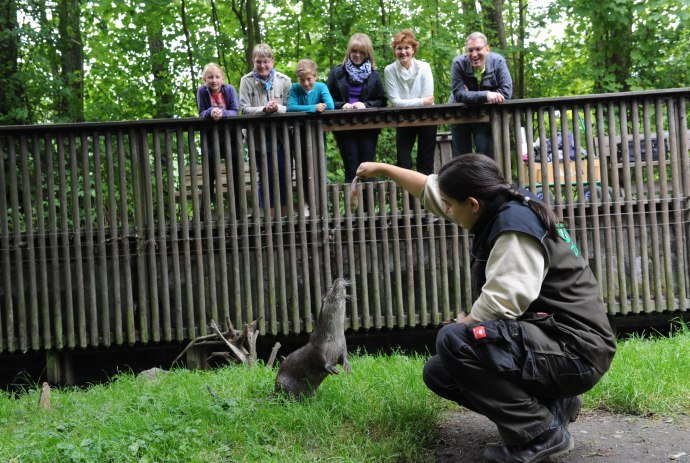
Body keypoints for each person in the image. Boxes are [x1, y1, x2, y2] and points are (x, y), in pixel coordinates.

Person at [355, 154, 616, 463]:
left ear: (473, 203)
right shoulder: (499, 198)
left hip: (576, 351)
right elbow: (434, 190)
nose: (447, 210)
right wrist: (383, 169)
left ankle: (540, 434)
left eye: (451, 205)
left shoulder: (513, 229)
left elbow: (503, 300)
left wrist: (467, 322)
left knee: (454, 340)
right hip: (555, 342)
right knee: (440, 372)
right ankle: (554, 406)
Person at [239, 44, 292, 218]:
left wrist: (277, 108)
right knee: (265, 177)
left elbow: (291, 107)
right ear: (253, 61)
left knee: (284, 175)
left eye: (266, 62)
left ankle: (285, 216)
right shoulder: (246, 81)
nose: (262, 66)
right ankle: (268, 217)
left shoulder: (284, 80)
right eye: (258, 62)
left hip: (281, 136)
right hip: (257, 137)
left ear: (272, 61)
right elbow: (244, 108)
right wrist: (264, 109)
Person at [326, 33, 387, 183]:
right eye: (354, 51)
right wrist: (341, 105)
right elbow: (327, 98)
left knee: (368, 168)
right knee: (351, 168)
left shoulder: (374, 74)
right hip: (344, 128)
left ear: (367, 53)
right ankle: (352, 206)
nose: (357, 55)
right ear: (349, 52)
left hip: (368, 127)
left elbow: (382, 100)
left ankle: (368, 206)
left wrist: (365, 105)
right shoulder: (336, 73)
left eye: (361, 52)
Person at [448, 32, 512, 158]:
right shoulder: (458, 64)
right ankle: (462, 178)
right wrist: (487, 95)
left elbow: (505, 92)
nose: (474, 54)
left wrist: (470, 95)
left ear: (487, 49)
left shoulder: (498, 62)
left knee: (485, 154)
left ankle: (484, 178)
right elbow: (459, 94)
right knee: (462, 157)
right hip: (460, 113)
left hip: (485, 115)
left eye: (478, 49)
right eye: (470, 50)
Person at [384, 29, 437, 175]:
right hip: (403, 118)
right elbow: (395, 102)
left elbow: (429, 98)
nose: (403, 52)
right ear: (394, 51)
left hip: (427, 117)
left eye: (407, 48)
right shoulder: (390, 70)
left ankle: (425, 196)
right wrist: (421, 101)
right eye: (399, 48)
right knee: (403, 161)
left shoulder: (424, 67)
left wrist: (407, 102)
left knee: (425, 161)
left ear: (413, 49)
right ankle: (408, 197)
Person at [287, 59, 334, 210]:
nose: (306, 83)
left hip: (317, 138)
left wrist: (315, 108)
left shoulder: (321, 87)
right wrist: (313, 107)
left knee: (321, 172)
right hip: (299, 139)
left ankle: (323, 207)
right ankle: (307, 206)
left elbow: (330, 106)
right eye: (302, 80)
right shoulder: (295, 88)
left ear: (315, 76)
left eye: (309, 79)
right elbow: (291, 108)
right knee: (302, 173)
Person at [196, 62, 239, 217]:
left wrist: (221, 113)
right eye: (210, 77)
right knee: (209, 177)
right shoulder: (202, 91)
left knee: (235, 175)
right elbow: (201, 112)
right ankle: (203, 214)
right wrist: (211, 112)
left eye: (217, 77)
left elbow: (235, 111)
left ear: (222, 78)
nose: (214, 80)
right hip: (211, 140)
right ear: (204, 79)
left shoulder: (230, 90)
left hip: (231, 138)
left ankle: (239, 212)